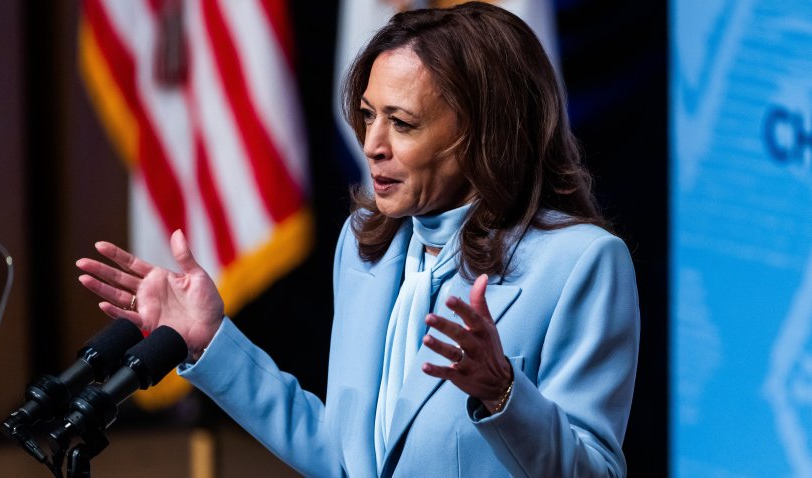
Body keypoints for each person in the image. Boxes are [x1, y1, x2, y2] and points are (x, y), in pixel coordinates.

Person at [76, 3, 639, 477]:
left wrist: (503, 395)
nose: (372, 144)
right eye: (368, 116)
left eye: (403, 122)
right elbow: (345, 457)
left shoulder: (580, 263)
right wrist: (209, 340)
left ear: (480, 132)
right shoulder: (368, 247)